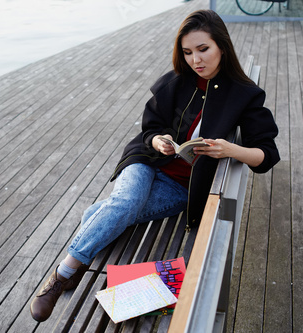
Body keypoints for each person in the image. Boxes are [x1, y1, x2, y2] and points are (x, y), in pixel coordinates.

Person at [30, 9, 280, 322]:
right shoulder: (178, 81)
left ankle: (97, 220)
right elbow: (149, 129)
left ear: (222, 48)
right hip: (146, 162)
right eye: (188, 52)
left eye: (203, 49)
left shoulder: (243, 95)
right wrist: (158, 140)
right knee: (127, 203)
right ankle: (63, 274)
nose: (195, 60)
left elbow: (267, 155)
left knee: (115, 210)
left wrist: (231, 149)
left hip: (181, 188)